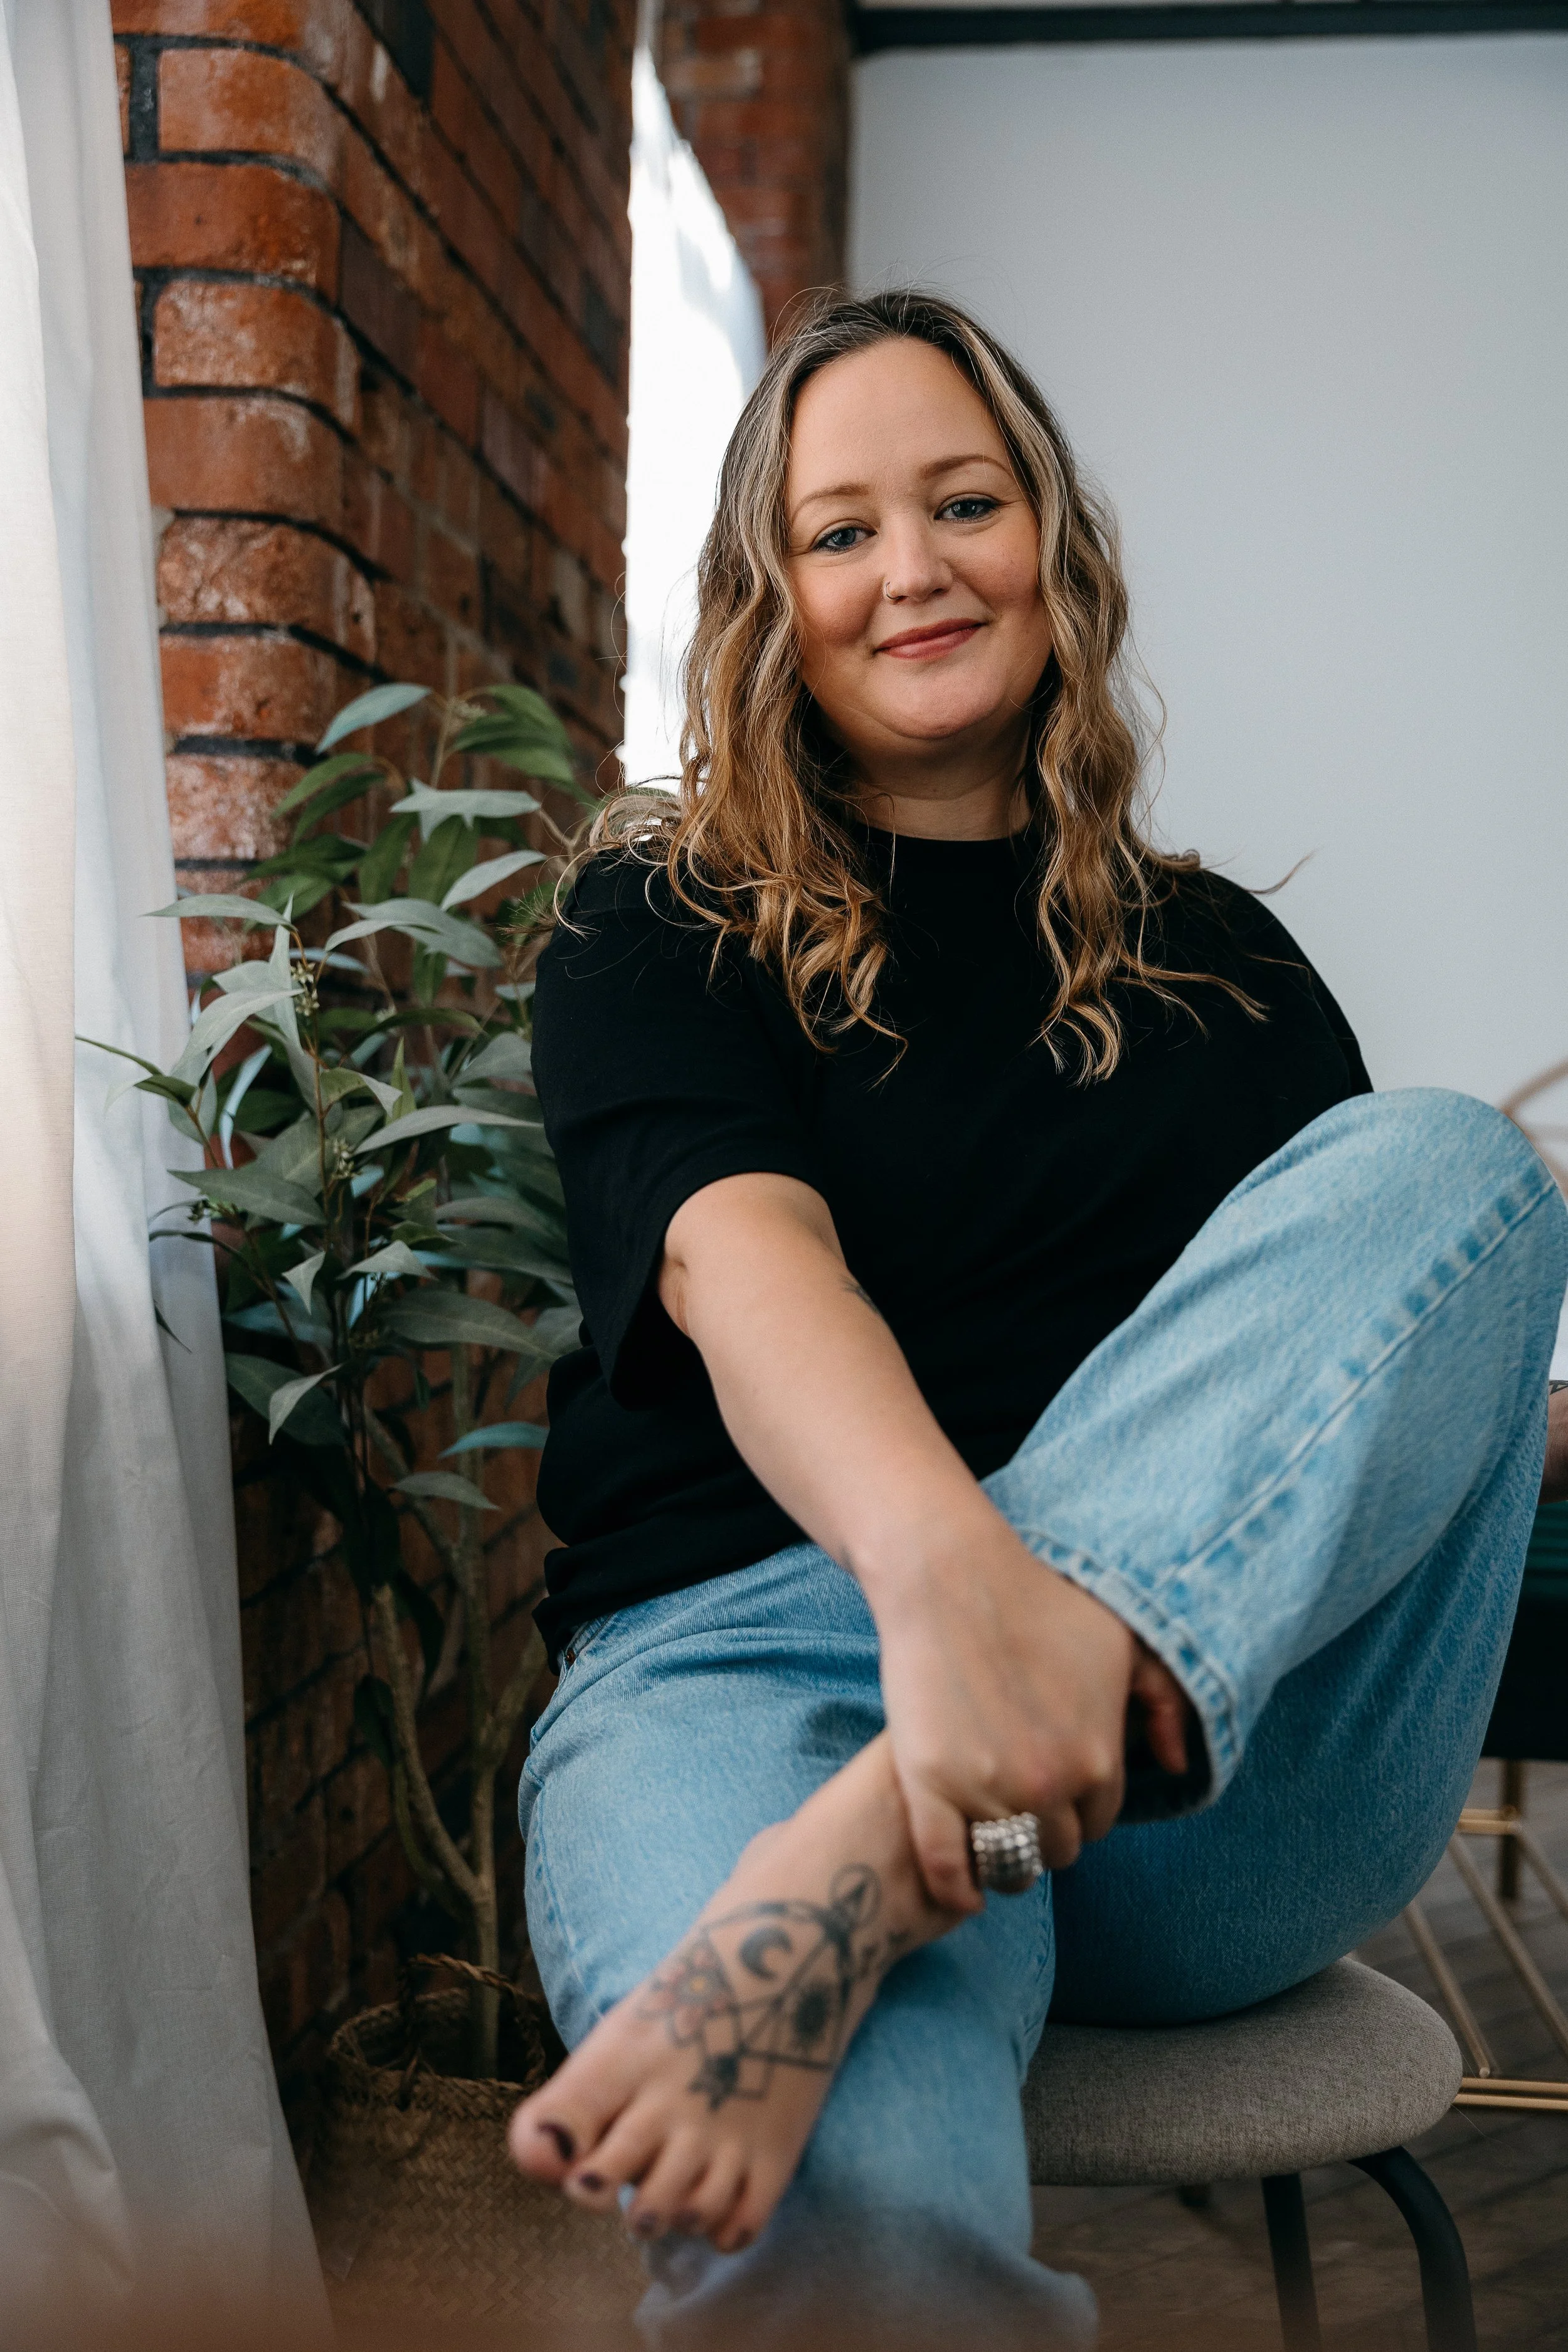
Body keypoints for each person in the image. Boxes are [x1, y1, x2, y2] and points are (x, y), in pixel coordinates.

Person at [506, 290, 1568, 2348]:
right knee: (855, 2243)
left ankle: (895, 1830)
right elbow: (745, 1265)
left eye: (963, 501)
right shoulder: (663, 913)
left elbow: (1313, 1389)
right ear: (766, 598)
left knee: (1459, 1172)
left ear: (1051, 547)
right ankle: (927, 1809)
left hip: (1201, 1792)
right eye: (838, 530)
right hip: (763, 1668)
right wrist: (945, 1605)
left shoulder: (1226, 966)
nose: (910, 567)